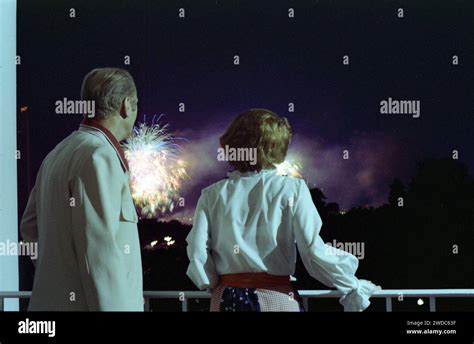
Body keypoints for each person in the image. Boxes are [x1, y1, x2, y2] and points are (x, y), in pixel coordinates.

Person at [186, 108, 381, 312]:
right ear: (277, 146)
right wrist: (351, 285)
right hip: (277, 298)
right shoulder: (293, 189)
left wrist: (211, 283)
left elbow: (197, 249)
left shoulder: (211, 194)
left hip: (226, 299)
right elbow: (313, 250)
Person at [20, 68, 143, 311]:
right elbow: (100, 252)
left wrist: (59, 275)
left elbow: (29, 226)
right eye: (136, 103)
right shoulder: (100, 156)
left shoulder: (57, 153)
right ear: (126, 105)